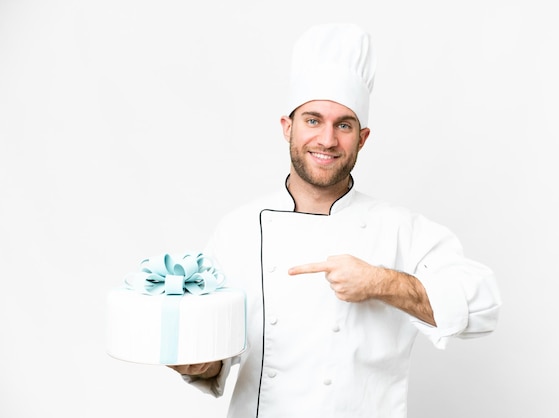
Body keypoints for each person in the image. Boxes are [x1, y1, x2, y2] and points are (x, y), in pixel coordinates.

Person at [170, 23, 501, 417]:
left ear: (362, 138)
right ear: (287, 128)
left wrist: (383, 282)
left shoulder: (398, 229)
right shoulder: (238, 230)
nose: (327, 140)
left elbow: (483, 307)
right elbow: (213, 355)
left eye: (343, 125)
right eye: (313, 120)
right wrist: (200, 365)